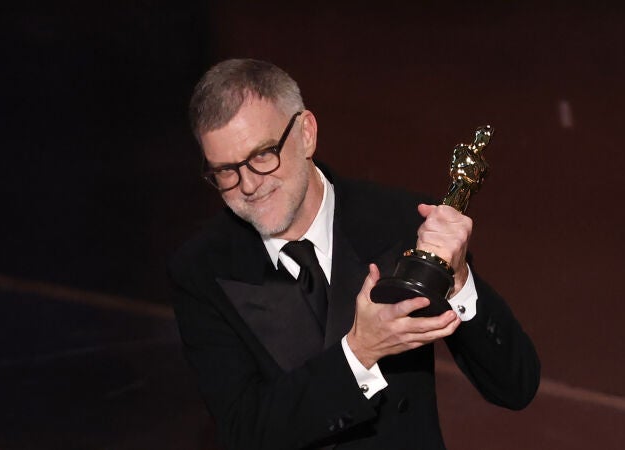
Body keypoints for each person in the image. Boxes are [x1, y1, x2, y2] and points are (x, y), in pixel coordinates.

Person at [169, 58, 539, 449]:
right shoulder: (201, 269)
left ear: (306, 133)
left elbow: (515, 386)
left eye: (262, 155)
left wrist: (459, 280)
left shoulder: (400, 223)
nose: (247, 185)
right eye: (225, 171)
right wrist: (360, 352)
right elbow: (245, 432)